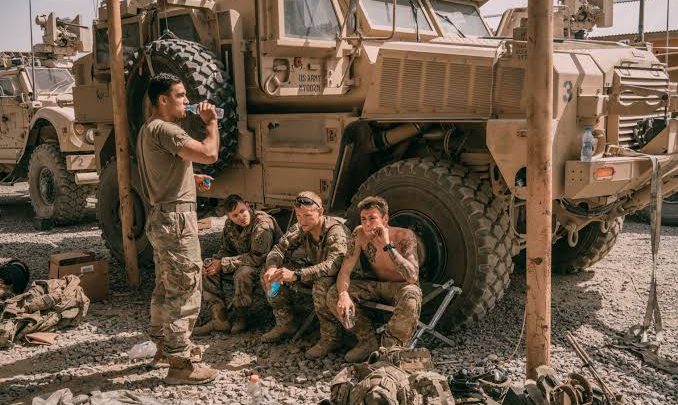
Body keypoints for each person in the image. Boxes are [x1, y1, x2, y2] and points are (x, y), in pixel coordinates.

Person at [136, 73, 219, 385]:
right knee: (185, 289)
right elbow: (209, 154)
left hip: (162, 216)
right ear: (163, 100)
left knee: (166, 286)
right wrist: (212, 123)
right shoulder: (167, 129)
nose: (187, 101)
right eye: (180, 95)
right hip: (176, 221)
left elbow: (163, 169)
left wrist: (190, 179)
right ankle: (181, 365)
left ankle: (163, 349)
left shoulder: (149, 129)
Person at [327, 196, 422, 363]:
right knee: (334, 294)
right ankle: (367, 341)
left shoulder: (404, 236)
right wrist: (343, 294)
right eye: (363, 219)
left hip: (401, 286)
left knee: (411, 297)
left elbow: (412, 277)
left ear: (385, 219)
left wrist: (388, 245)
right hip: (376, 284)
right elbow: (345, 271)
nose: (367, 224)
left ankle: (390, 350)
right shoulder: (359, 234)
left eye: (372, 218)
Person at [261, 191, 350, 360]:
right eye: (299, 216)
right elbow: (278, 249)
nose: (302, 220)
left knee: (321, 284)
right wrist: (272, 268)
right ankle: (286, 323)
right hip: (317, 271)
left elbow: (333, 265)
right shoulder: (301, 227)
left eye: (308, 215)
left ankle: (331, 338)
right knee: (273, 274)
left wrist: (296, 274)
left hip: (342, 278)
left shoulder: (335, 231)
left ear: (321, 212)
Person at [195, 194, 282, 335]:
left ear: (247, 205)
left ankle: (241, 316)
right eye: (235, 215)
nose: (241, 217)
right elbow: (226, 249)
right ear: (229, 216)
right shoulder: (230, 224)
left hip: (267, 265)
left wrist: (223, 263)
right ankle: (219, 319)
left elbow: (258, 257)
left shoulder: (262, 224)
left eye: (242, 211)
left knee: (243, 273)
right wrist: (215, 262)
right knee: (208, 268)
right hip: (244, 262)